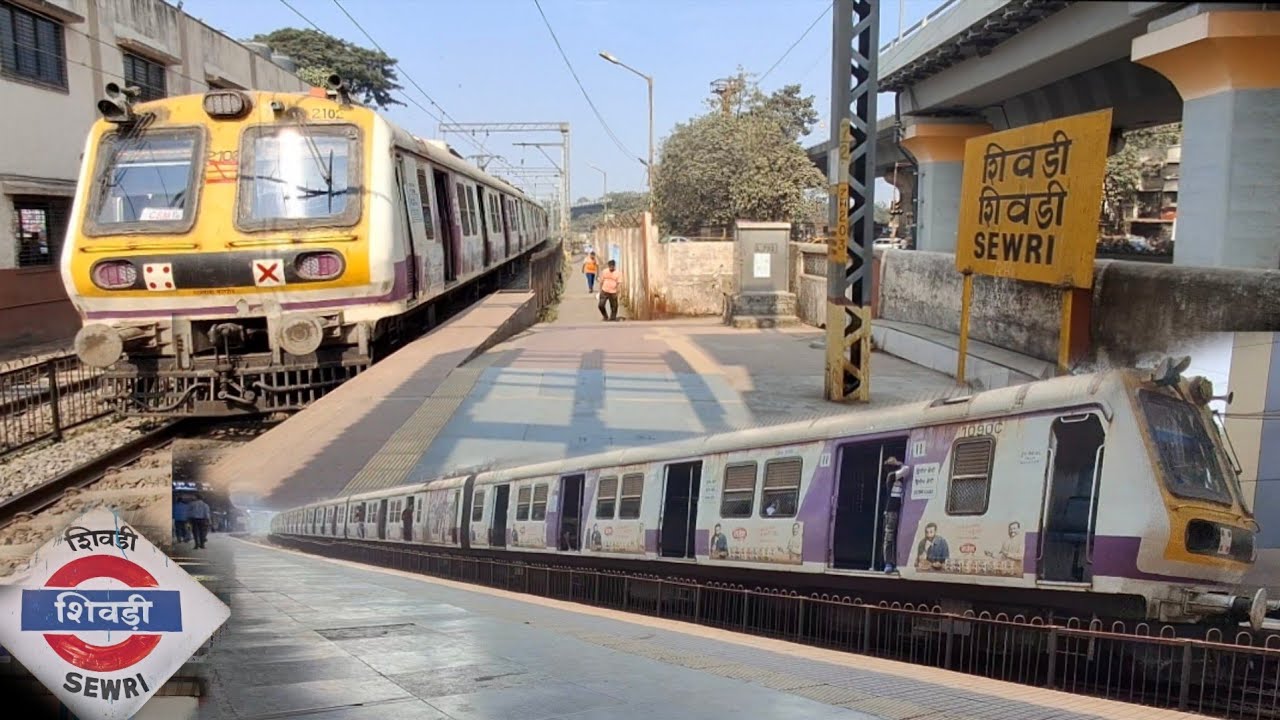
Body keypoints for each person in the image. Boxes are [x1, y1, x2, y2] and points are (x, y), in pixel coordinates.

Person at [881, 458, 907, 573]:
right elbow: (906, 469)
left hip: (896, 510)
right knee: (889, 537)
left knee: (893, 537)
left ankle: (893, 562)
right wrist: (900, 463)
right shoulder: (891, 476)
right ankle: (888, 563)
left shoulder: (898, 480)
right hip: (891, 511)